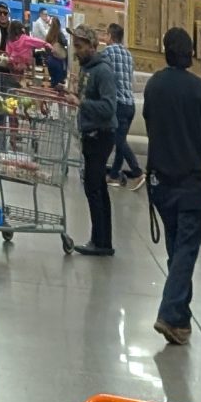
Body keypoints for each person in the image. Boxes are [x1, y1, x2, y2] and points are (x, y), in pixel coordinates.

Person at [141, 25, 201, 346]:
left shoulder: (154, 86)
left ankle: (181, 323)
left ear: (164, 50)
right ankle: (168, 312)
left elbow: (150, 124)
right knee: (186, 251)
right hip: (191, 184)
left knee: (177, 251)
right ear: (192, 54)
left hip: (160, 183)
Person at [70, 24, 113, 256]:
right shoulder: (87, 69)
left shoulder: (103, 71)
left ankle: (100, 242)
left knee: (93, 188)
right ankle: (103, 240)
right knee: (98, 188)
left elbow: (109, 107)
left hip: (101, 135)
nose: (75, 50)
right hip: (91, 133)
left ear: (92, 46)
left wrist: (82, 103)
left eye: (79, 46)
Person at [101, 18, 138, 182]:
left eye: (106, 34)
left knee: (118, 140)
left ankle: (137, 171)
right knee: (120, 140)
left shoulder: (108, 52)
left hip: (118, 105)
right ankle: (114, 174)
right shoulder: (128, 55)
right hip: (130, 105)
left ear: (110, 36)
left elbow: (99, 71)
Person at [40, 11, 66, 85]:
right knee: (58, 83)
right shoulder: (59, 34)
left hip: (50, 60)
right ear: (59, 24)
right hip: (58, 62)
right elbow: (64, 42)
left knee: (53, 80)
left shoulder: (49, 34)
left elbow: (46, 47)